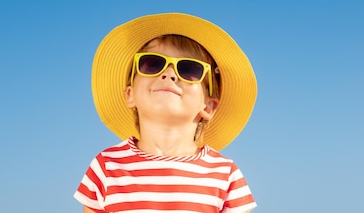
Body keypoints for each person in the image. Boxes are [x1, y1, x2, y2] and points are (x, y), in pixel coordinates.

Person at [74, 12, 258, 213]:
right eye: (152, 64)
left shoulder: (225, 175)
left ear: (208, 106)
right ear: (130, 94)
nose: (169, 73)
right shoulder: (106, 167)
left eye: (189, 69)